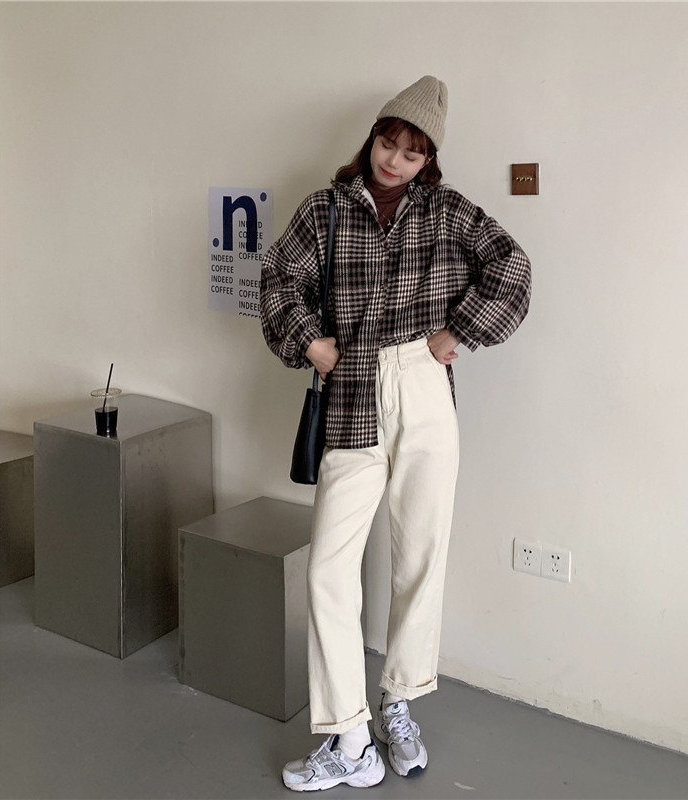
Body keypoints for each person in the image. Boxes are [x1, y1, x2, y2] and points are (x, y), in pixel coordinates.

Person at [259, 75, 531, 792]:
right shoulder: (324, 209)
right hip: (350, 387)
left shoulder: (448, 211)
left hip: (423, 383)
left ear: (428, 159)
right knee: (328, 568)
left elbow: (513, 268)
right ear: (373, 137)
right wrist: (311, 342)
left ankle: (398, 703)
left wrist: (458, 332)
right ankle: (350, 736)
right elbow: (278, 279)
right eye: (388, 143)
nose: (395, 161)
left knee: (421, 555)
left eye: (412, 153)